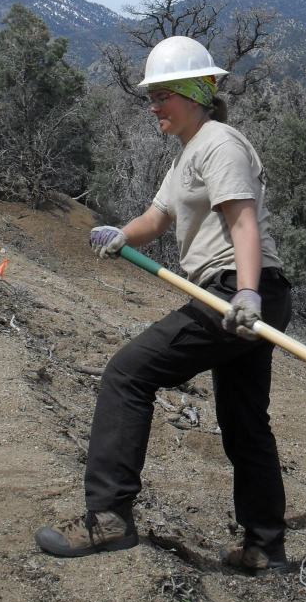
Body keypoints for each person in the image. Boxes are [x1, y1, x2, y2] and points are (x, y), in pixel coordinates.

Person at [35, 36, 292, 572]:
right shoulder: (188, 155)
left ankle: (108, 518)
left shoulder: (218, 143)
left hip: (236, 290)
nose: (153, 107)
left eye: (162, 96)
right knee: (245, 422)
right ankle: (264, 547)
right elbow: (158, 218)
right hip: (246, 292)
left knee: (128, 375)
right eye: (150, 97)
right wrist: (120, 235)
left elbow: (242, 219)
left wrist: (244, 293)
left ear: (196, 93)